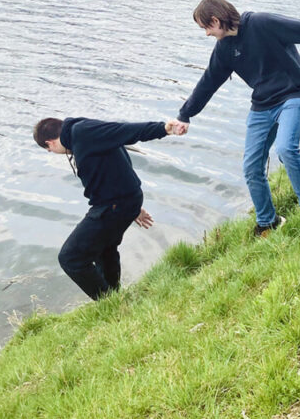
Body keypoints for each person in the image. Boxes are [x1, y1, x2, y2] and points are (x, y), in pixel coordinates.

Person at [174, 0, 300, 236]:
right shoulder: (224, 50)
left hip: (294, 93)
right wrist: (185, 114)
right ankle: (269, 221)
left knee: (286, 148)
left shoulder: (261, 23)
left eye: (206, 28)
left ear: (215, 19)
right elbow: (208, 83)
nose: (207, 34)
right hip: (263, 104)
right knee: (251, 166)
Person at [34, 116, 186, 299]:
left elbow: (125, 130)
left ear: (49, 143)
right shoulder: (79, 135)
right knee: (105, 251)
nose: (52, 152)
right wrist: (132, 202)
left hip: (114, 205)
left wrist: (163, 129)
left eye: (49, 150)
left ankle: (109, 303)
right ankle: (115, 299)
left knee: (70, 258)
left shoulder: (82, 131)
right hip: (121, 201)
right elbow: (118, 159)